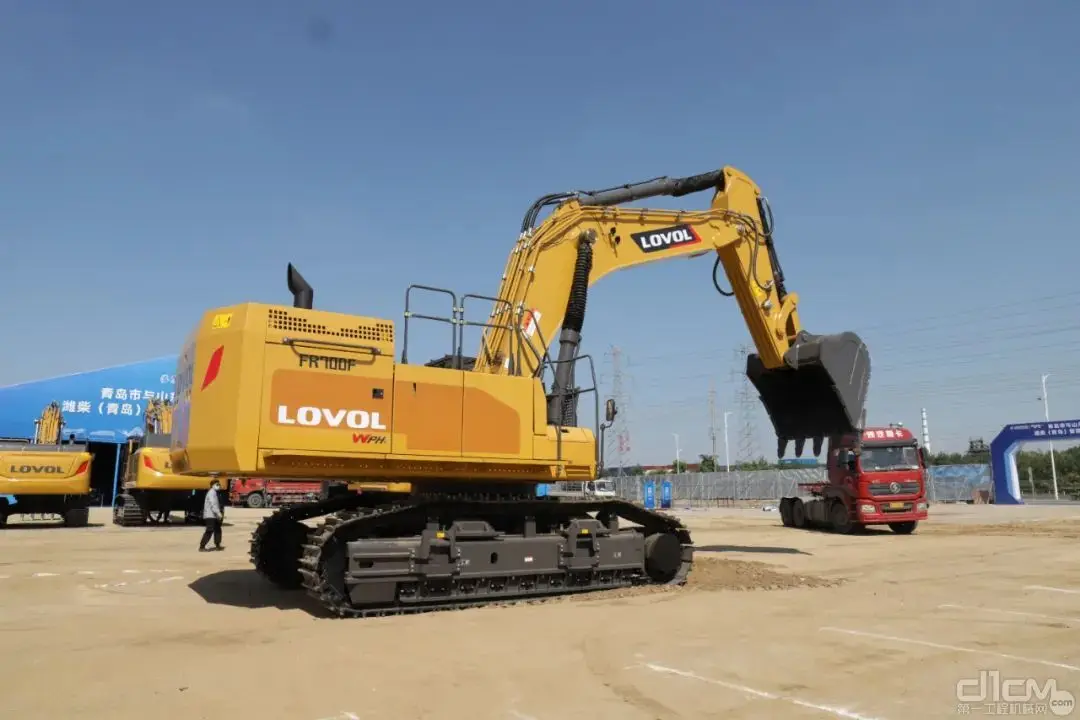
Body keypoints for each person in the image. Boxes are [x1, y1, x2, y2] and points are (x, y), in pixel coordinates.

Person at [198, 480, 225, 552]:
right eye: (217, 484)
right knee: (209, 530)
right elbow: (213, 504)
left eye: (219, 484)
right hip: (210, 515)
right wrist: (218, 513)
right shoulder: (211, 493)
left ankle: (217, 545)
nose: (219, 486)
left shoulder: (216, 493)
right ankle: (202, 546)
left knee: (218, 529)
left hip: (214, 515)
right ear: (212, 485)